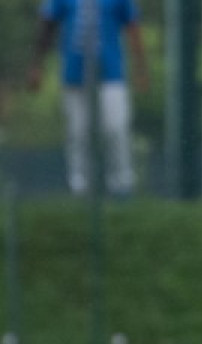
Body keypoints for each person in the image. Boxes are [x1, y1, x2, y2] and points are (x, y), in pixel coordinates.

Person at [28, 0, 150, 197]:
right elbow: (47, 25)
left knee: (116, 129)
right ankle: (81, 187)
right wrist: (36, 65)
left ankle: (121, 186)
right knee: (78, 132)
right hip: (74, 73)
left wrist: (141, 68)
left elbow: (132, 26)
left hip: (111, 72)